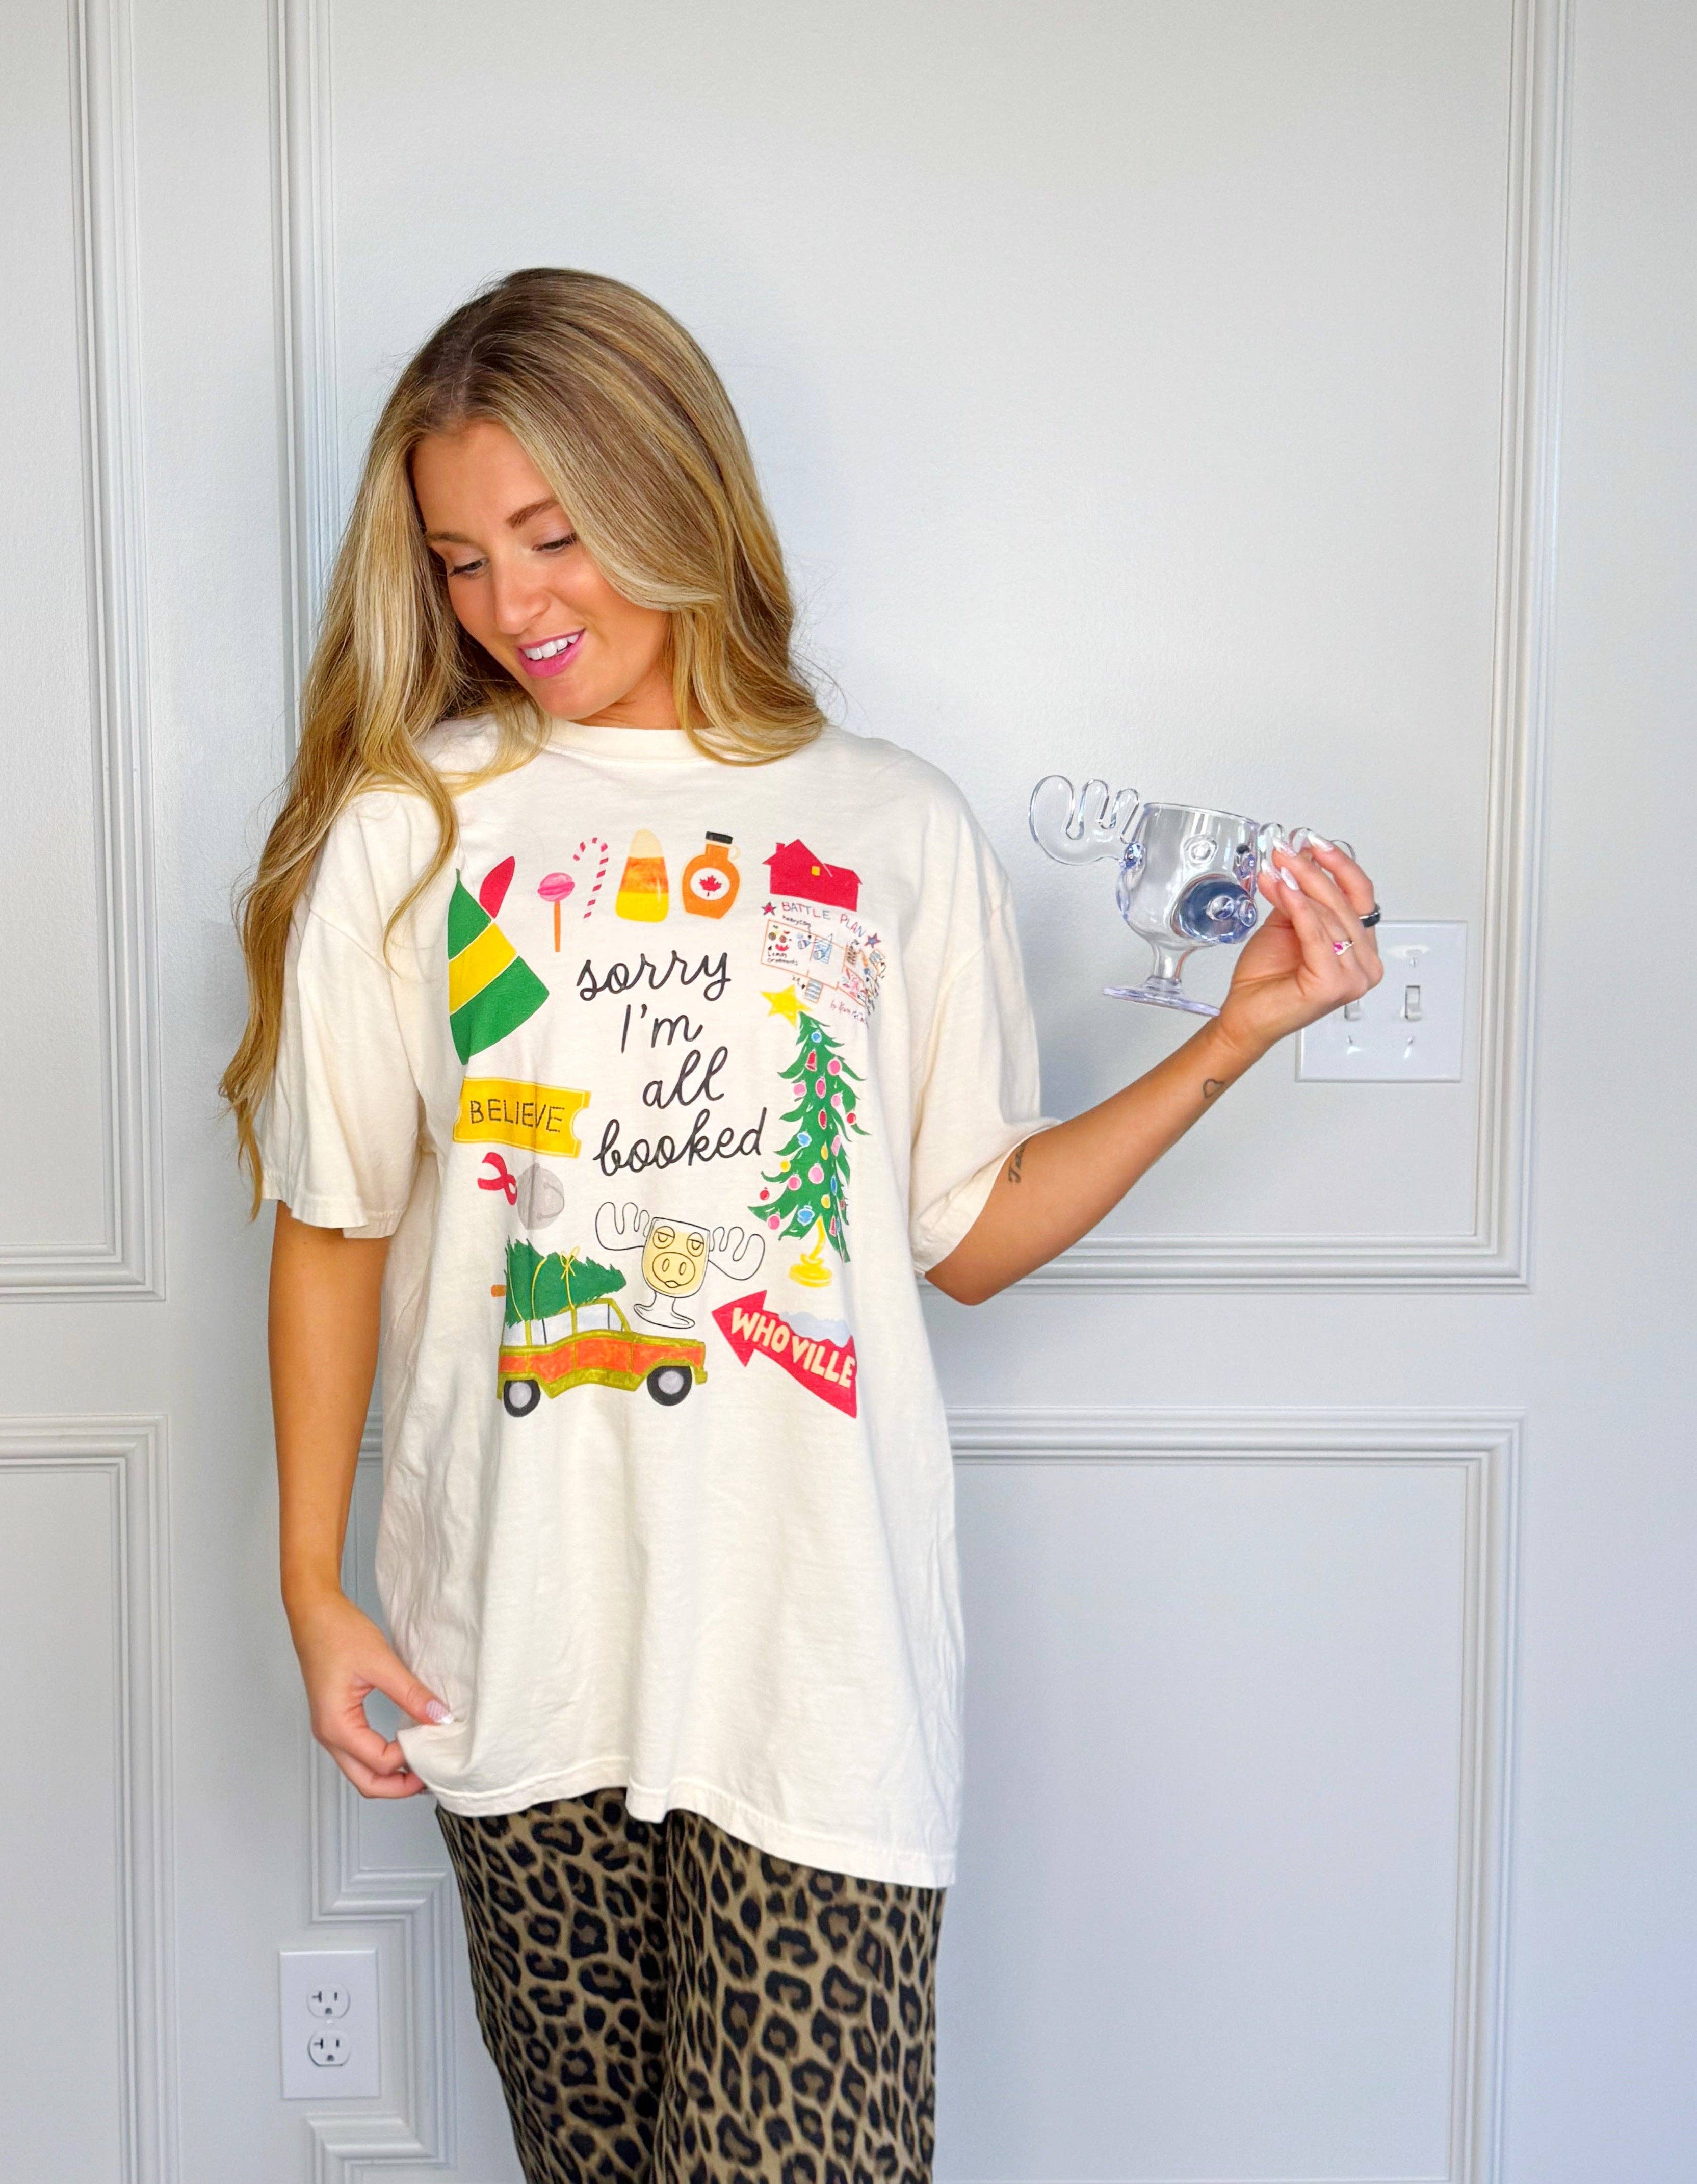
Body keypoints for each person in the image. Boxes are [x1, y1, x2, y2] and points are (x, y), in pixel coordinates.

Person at [223, 267, 1382, 2184]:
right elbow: (335, 1221)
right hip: (517, 1650)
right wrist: (307, 1577)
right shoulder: (408, 830)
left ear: (670, 491)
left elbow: (970, 1230)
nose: (511, 605)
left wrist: (1234, 1034)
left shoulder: (889, 827)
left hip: (818, 1664)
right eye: (457, 560)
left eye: (552, 534)